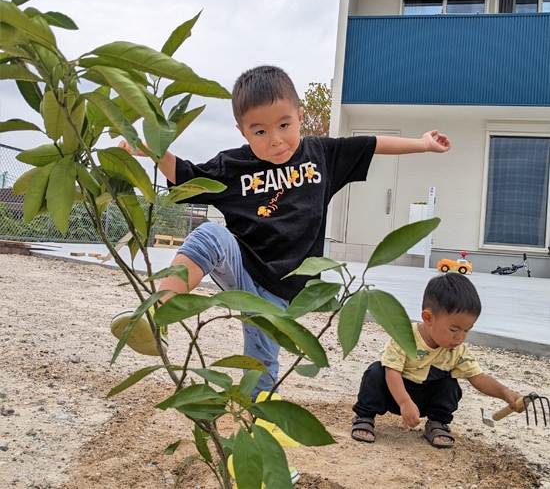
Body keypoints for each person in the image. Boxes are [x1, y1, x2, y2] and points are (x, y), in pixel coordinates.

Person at [111, 65, 451, 402]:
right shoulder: (233, 167)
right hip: (244, 268)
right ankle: (158, 318)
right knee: (209, 235)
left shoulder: (321, 156)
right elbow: (186, 175)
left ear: (300, 116)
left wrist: (422, 144)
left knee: (262, 363)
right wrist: (153, 150)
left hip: (283, 288)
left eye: (284, 125)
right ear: (243, 131)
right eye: (259, 132)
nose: (275, 140)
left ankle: (257, 422)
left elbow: (372, 144)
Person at [350, 272, 524, 448]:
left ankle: (437, 423)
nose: (460, 337)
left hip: (425, 399)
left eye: (467, 330)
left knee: (450, 383)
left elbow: (478, 377)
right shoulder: (405, 336)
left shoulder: (457, 350)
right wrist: (404, 402)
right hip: (395, 395)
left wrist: (505, 393)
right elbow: (392, 372)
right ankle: (365, 416)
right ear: (428, 318)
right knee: (376, 371)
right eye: (454, 329)